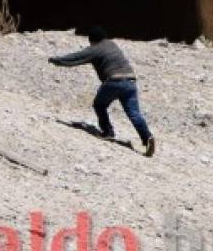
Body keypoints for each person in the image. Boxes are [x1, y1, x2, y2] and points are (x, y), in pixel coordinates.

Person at [49, 26, 156, 157]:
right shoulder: (112, 44)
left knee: (99, 105)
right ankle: (147, 137)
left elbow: (76, 57)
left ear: (92, 40)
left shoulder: (96, 49)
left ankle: (108, 132)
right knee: (134, 113)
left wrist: (57, 60)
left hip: (114, 82)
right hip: (131, 82)